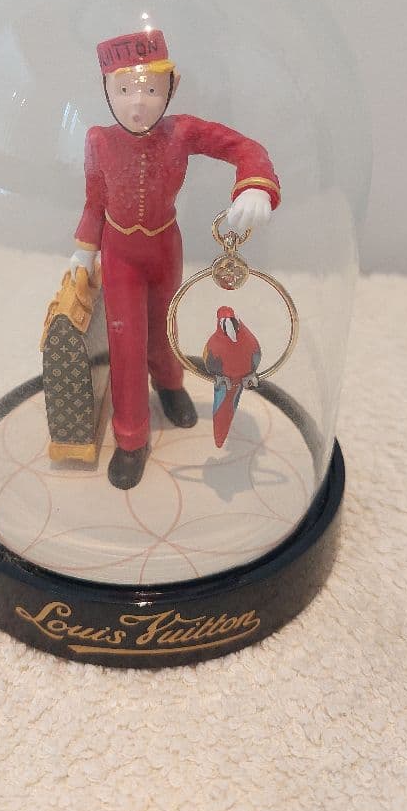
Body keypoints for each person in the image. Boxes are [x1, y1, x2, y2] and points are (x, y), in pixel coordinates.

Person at [70, 28, 280, 489]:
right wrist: (85, 249)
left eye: (150, 89)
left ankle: (169, 384)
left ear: (172, 87)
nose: (137, 103)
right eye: (124, 90)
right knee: (125, 341)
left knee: (165, 325)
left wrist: (254, 185)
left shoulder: (182, 131)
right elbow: (94, 201)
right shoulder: (99, 141)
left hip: (165, 245)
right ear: (105, 90)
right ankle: (131, 438)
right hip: (120, 253)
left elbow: (244, 148)